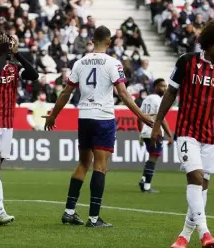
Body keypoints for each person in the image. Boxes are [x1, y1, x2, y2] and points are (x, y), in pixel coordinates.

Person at [43, 25, 154, 227]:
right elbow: (123, 93)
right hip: (103, 118)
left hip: (84, 117)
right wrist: (141, 115)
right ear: (109, 42)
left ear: (92, 40)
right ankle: (94, 218)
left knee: (83, 164)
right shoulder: (113, 63)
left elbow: (66, 92)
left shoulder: (80, 62)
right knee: (100, 166)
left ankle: (69, 212)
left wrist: (53, 115)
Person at [150, 20, 214, 248]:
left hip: (212, 133)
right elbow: (170, 93)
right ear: (209, 41)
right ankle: (205, 232)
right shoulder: (187, 61)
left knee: (204, 184)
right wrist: (157, 124)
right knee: (196, 177)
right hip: (187, 130)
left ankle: (184, 235)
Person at [0, 32, 39, 225]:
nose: (9, 47)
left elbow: (34, 75)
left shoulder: (14, 66)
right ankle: (1, 211)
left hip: (7, 122)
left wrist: (17, 55)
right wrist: (4, 54)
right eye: (5, 45)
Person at [138, 78, 173, 193]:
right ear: (156, 86)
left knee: (151, 157)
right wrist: (169, 134)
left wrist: (141, 132)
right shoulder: (158, 100)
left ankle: (143, 179)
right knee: (154, 157)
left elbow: (140, 116)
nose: (165, 88)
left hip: (146, 132)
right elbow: (161, 118)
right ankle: (147, 186)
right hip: (155, 132)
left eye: (166, 86)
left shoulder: (147, 98)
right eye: (162, 86)